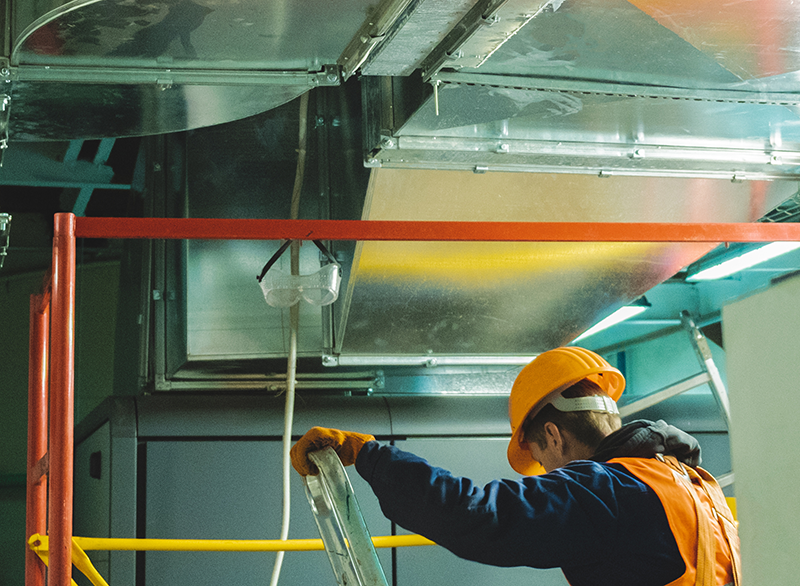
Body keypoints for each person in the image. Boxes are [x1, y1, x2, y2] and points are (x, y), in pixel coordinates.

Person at [291, 346, 740, 586]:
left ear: (551, 436)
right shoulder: (694, 485)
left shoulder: (610, 491)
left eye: (541, 460)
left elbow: (474, 516)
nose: (545, 471)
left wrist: (366, 452)